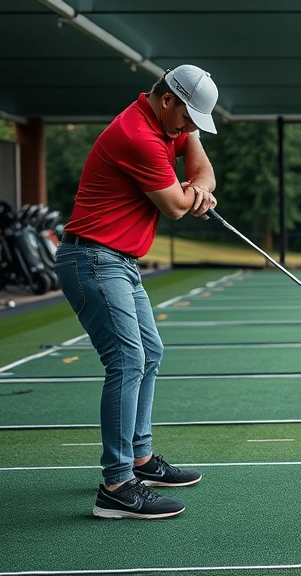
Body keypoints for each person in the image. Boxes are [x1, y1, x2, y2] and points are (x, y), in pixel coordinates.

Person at [55, 64, 220, 519]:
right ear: (167, 100)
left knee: (151, 351)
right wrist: (194, 192)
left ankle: (142, 461)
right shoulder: (138, 135)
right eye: (188, 118)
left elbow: (198, 161)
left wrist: (199, 184)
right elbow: (174, 207)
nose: (189, 130)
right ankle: (117, 484)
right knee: (127, 360)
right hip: (92, 259)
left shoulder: (168, 122)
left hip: (119, 262)